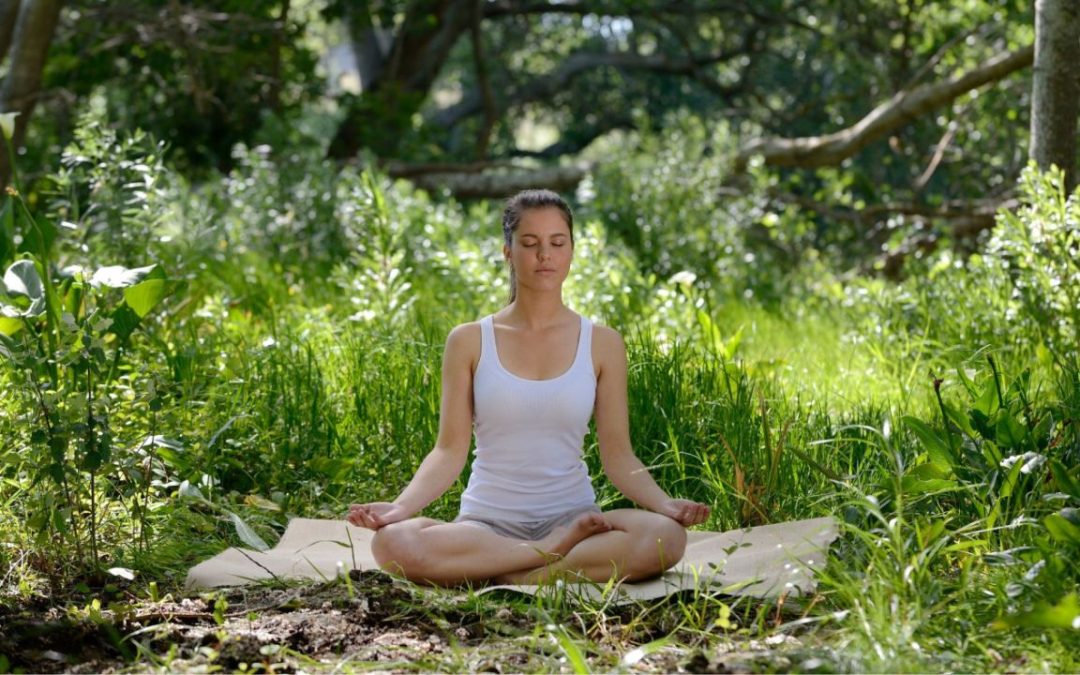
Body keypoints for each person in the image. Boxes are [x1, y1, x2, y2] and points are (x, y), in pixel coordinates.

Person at [347, 189, 710, 587]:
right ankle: (541, 561)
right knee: (393, 544)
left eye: (557, 243)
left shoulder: (602, 343)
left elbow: (619, 455)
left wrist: (664, 503)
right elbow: (449, 451)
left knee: (665, 538)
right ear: (508, 251)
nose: (545, 255)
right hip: (487, 526)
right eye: (530, 243)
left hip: (575, 521)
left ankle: (509, 572)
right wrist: (400, 508)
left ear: (572, 250)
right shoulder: (469, 340)